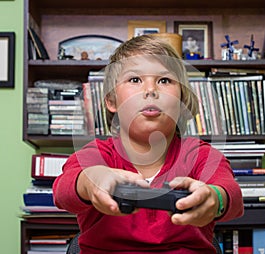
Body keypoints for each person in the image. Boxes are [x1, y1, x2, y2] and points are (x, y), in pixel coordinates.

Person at [53, 34, 244, 253]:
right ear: (111, 101)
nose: (150, 90)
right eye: (135, 80)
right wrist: (91, 180)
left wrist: (214, 197)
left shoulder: (200, 155)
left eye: (165, 80)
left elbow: (232, 195)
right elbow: (63, 191)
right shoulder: (95, 154)